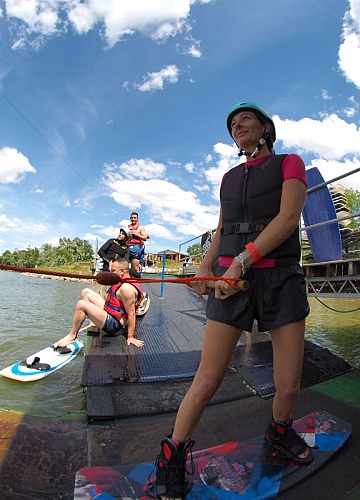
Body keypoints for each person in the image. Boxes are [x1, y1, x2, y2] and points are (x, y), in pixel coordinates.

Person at [147, 102, 312, 498]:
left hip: (278, 278)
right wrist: (207, 269)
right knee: (206, 380)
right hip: (228, 281)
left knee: (288, 386)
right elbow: (221, 229)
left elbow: (289, 218)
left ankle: (277, 433)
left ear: (265, 128)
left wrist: (241, 262)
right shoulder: (227, 178)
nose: (237, 126)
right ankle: (171, 459)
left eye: (245, 120)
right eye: (232, 124)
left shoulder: (290, 163)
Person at [55, 258, 145, 348]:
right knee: (85, 292)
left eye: (113, 271)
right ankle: (93, 325)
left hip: (114, 324)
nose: (110, 273)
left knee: (81, 304)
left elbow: (132, 313)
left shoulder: (126, 288)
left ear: (122, 271)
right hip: (109, 312)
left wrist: (130, 337)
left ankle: (72, 336)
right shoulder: (120, 280)